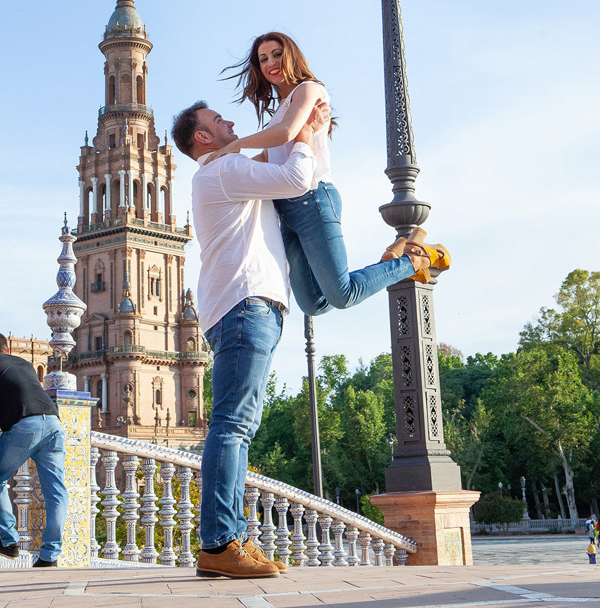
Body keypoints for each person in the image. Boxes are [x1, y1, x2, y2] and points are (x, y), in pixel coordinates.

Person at [171, 100, 431, 579]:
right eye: (218, 122)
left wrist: (300, 128)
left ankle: (230, 540)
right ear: (203, 138)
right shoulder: (223, 169)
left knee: (238, 427)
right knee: (231, 426)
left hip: (248, 307)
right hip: (245, 304)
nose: (230, 123)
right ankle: (218, 543)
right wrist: (308, 132)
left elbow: (276, 160)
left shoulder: (228, 170)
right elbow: (295, 179)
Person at [208, 32, 450, 316]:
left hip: (313, 200)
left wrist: (235, 145)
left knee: (343, 295)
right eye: (263, 59)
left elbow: (286, 134)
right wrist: (225, 169)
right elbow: (267, 157)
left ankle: (417, 259)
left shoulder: (309, 90)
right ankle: (393, 257)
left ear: (292, 55)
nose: (270, 63)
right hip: (286, 210)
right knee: (313, 303)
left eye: (276, 54)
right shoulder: (278, 114)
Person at [0, 334, 68, 568]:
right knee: (56, 492)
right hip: (54, 424)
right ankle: (50, 556)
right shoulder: (24, 364)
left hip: (25, 427)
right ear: (7, 348)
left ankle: (9, 542)